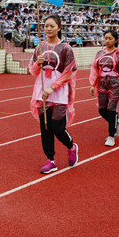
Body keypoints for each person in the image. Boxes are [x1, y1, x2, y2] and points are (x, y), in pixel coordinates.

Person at [29, 15, 78, 174]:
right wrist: (38, 63)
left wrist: (53, 87)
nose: (48, 29)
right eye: (46, 26)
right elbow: (33, 70)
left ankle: (71, 146)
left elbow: (70, 71)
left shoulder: (65, 48)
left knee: (57, 126)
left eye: (52, 26)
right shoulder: (39, 48)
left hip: (59, 93)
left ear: (59, 27)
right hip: (42, 93)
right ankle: (50, 159)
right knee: (45, 127)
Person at [89, 30, 119, 147]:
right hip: (102, 83)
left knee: (112, 110)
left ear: (116, 40)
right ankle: (116, 122)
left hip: (115, 84)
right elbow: (95, 69)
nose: (107, 41)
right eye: (106, 38)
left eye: (110, 38)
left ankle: (111, 136)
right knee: (102, 109)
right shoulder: (100, 53)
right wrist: (93, 84)